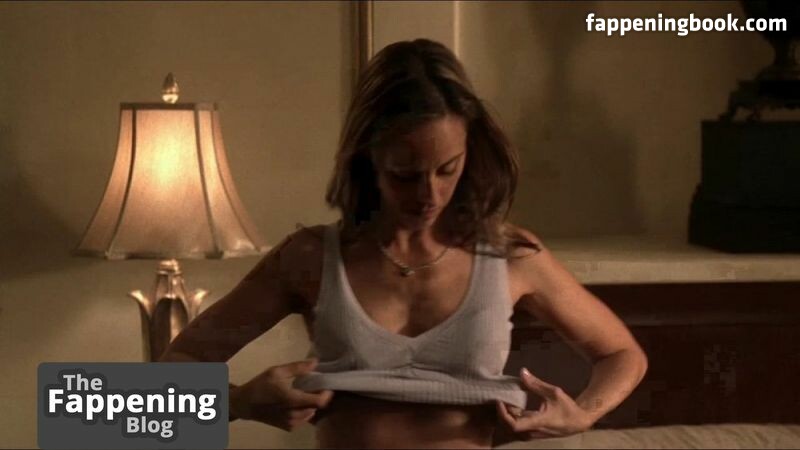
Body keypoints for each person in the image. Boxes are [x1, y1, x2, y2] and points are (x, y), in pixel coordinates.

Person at [160, 38, 648, 449]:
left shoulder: (509, 257)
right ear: (368, 159)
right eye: (405, 174)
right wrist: (239, 401)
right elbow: (166, 379)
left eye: (447, 169)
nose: (429, 195)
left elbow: (623, 354)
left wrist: (584, 413)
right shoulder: (311, 257)